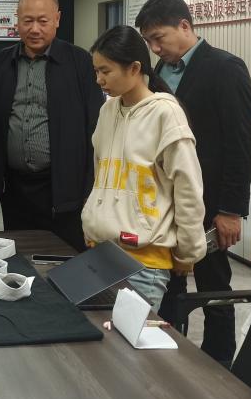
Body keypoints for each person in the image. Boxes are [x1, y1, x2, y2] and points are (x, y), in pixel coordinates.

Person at [136, 0, 251, 366]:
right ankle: (171, 356)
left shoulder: (225, 68)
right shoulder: (155, 73)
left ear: (184, 26)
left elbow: (240, 145)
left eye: (159, 38)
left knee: (213, 286)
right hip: (162, 204)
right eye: (149, 41)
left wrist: (231, 210)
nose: (155, 48)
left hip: (208, 205)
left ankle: (219, 362)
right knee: (169, 285)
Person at [81, 26, 206, 311]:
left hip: (144, 262)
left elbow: (188, 188)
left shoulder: (165, 113)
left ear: (135, 68)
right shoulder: (108, 110)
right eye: (96, 71)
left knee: (130, 340)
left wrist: (188, 251)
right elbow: (101, 174)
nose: (99, 79)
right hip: (100, 252)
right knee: (100, 336)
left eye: (105, 71)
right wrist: (93, 222)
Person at [0, 0, 104, 251]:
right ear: (17, 20)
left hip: (64, 189)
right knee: (19, 257)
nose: (34, 29)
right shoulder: (0, 64)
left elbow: (96, 129)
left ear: (57, 19)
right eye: (27, 21)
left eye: (43, 21)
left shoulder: (80, 63)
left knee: (65, 260)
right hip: (14, 189)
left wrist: (93, 189)